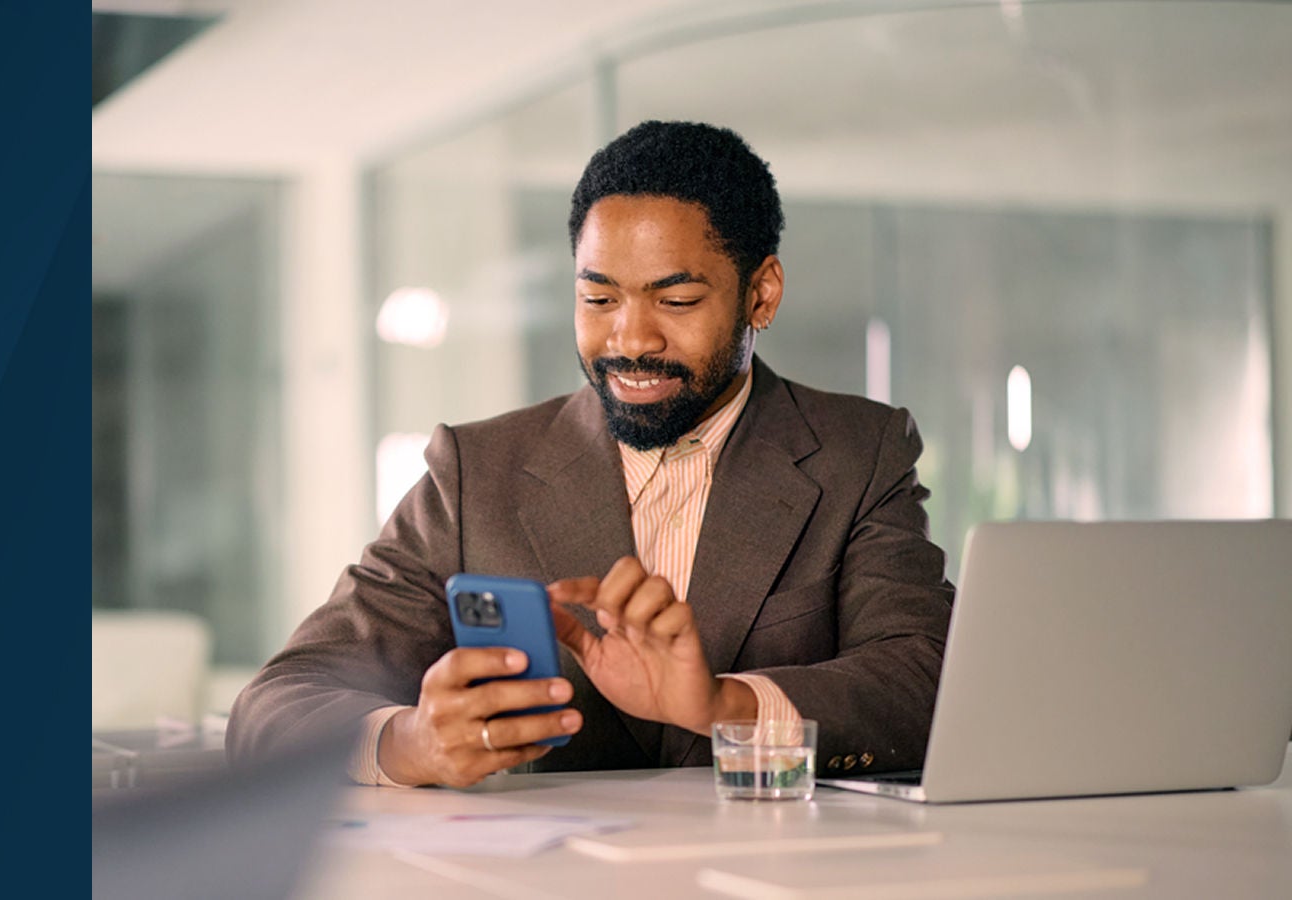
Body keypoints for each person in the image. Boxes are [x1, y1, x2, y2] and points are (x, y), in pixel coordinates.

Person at [226, 121, 953, 788]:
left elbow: (924, 680)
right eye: (599, 300)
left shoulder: (858, 454)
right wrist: (407, 742)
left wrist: (723, 703)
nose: (631, 340)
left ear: (761, 294)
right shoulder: (475, 471)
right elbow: (276, 705)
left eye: (675, 301)